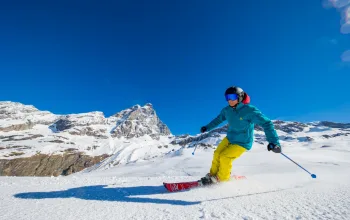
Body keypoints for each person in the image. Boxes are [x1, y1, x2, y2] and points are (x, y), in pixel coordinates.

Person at [199, 86, 281, 185]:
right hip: (230, 138)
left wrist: (274, 142)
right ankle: (213, 175)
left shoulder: (249, 110)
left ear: (240, 97)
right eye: (227, 98)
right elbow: (218, 119)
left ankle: (221, 179)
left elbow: (267, 123)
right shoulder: (227, 110)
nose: (229, 100)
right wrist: (207, 127)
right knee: (217, 154)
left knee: (225, 157)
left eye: (232, 97)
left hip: (242, 142)